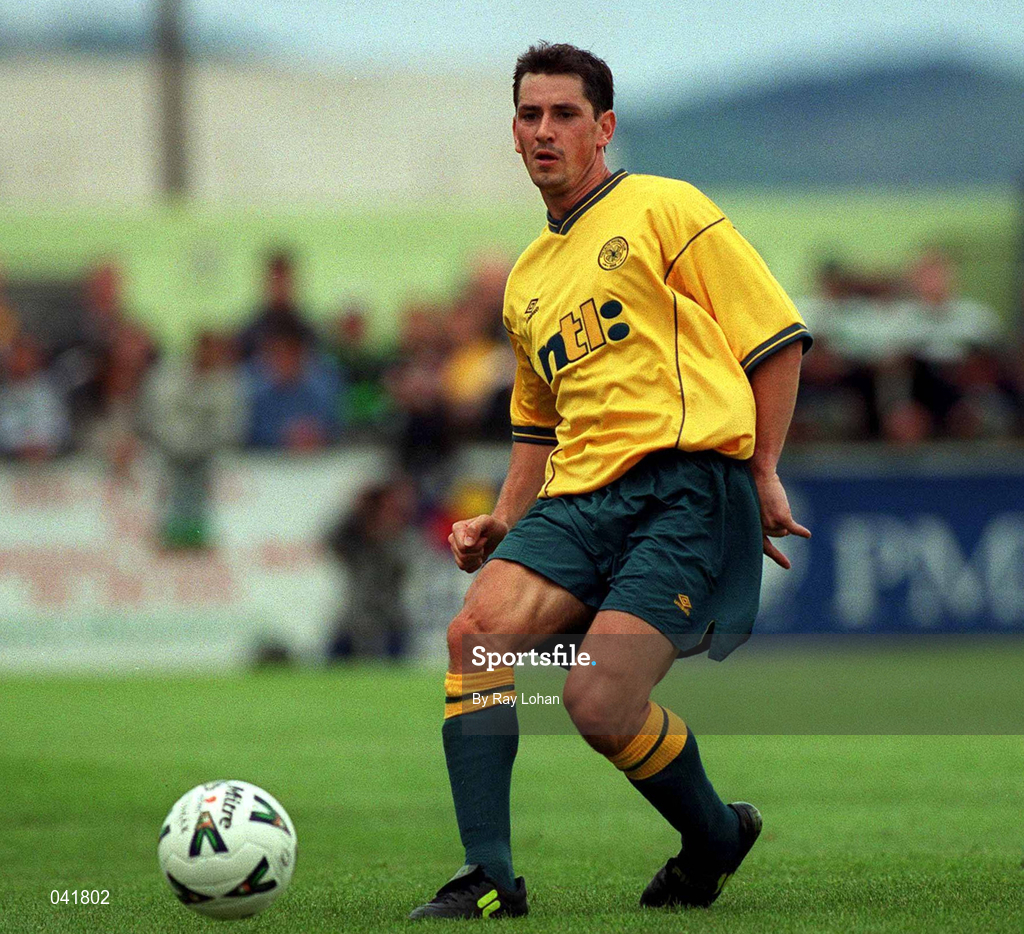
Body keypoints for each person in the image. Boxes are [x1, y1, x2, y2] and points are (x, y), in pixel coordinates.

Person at [409, 43, 811, 921]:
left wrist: (765, 470)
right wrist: (502, 520)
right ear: (513, 135)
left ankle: (713, 836)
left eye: (564, 114)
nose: (545, 130)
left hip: (684, 487)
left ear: (605, 127)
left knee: (597, 701)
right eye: (529, 115)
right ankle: (490, 879)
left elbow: (776, 340)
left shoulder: (665, 206)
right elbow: (535, 422)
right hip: (579, 497)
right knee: (475, 635)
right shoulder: (526, 278)